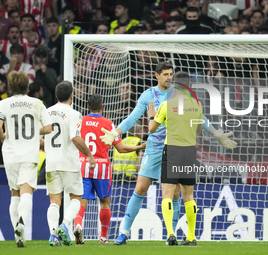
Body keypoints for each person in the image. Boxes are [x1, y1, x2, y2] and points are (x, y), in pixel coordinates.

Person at [148, 72, 237, 245]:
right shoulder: (197, 105)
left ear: (174, 85)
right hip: (189, 152)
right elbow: (197, 130)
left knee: (167, 193)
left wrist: (152, 115)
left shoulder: (167, 104)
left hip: (172, 150)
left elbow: (152, 129)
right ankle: (191, 237)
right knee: (189, 195)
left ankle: (171, 235)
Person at [100, 62, 182, 245]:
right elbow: (133, 118)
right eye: (166, 74)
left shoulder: (179, 94)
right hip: (153, 148)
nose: (169, 77)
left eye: (171, 74)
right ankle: (124, 232)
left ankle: (172, 234)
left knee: (175, 193)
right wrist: (115, 133)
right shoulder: (149, 95)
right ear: (157, 75)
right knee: (140, 188)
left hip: (174, 149)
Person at [74, 94, 146, 245]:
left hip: (84, 164)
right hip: (102, 168)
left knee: (82, 201)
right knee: (105, 202)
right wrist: (138, 147)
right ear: (102, 107)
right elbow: (120, 149)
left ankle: (78, 225)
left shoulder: (80, 121)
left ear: (87, 107)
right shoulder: (109, 124)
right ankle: (103, 237)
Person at [0, 71, 52, 247]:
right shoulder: (37, 103)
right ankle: (21, 223)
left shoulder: (3, 104)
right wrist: (34, 130)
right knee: (27, 192)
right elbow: (48, 129)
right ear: (27, 86)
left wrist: (5, 137)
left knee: (14, 192)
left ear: (10, 87)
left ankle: (17, 234)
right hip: (29, 153)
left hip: (10, 154)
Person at [44, 81, 96, 247]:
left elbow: (41, 136)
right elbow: (75, 137)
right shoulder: (74, 114)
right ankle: (64, 225)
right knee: (76, 197)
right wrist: (89, 155)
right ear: (72, 96)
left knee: (54, 201)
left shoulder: (46, 112)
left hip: (51, 162)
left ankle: (53, 235)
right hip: (69, 161)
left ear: (56, 95)